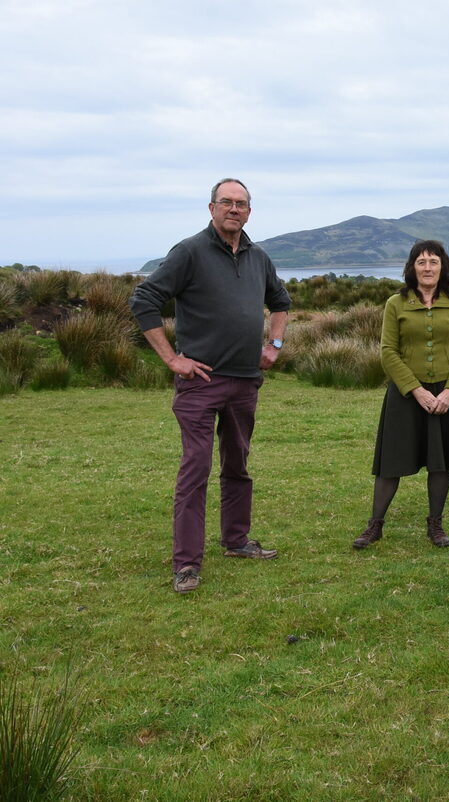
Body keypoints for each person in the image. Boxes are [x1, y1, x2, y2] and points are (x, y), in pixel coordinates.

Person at [130, 178, 291, 594]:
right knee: (196, 471)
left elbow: (281, 302)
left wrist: (274, 344)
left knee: (237, 466)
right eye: (226, 202)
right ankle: (186, 565)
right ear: (211, 208)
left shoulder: (259, 257)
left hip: (244, 382)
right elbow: (144, 300)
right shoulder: (189, 252)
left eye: (241, 204)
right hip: (199, 383)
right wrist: (171, 358)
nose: (233, 209)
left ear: (249, 212)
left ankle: (236, 541)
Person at [352, 240, 449, 550]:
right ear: (412, 267)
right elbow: (388, 351)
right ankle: (375, 525)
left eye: (433, 262)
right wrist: (416, 390)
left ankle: (435, 524)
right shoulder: (396, 303)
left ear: (442, 267)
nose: (427, 267)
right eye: (421, 262)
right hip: (408, 394)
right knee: (390, 462)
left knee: (440, 462)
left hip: (446, 395)